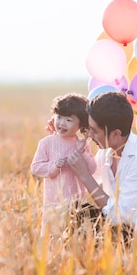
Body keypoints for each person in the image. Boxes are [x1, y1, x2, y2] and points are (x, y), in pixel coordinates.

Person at [66, 91, 137, 254]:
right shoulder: (108, 150)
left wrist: (84, 175)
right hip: (116, 229)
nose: (89, 135)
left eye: (94, 130)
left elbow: (119, 214)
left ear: (116, 134)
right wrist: (61, 136)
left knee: (84, 218)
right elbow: (82, 184)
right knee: (77, 210)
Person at [30, 93, 98, 235]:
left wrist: (82, 152)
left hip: (77, 205)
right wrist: (54, 166)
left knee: (75, 239)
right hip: (53, 204)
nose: (61, 123)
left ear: (81, 125)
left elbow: (92, 169)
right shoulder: (47, 143)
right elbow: (35, 167)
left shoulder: (81, 145)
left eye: (69, 120)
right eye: (59, 117)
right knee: (53, 237)